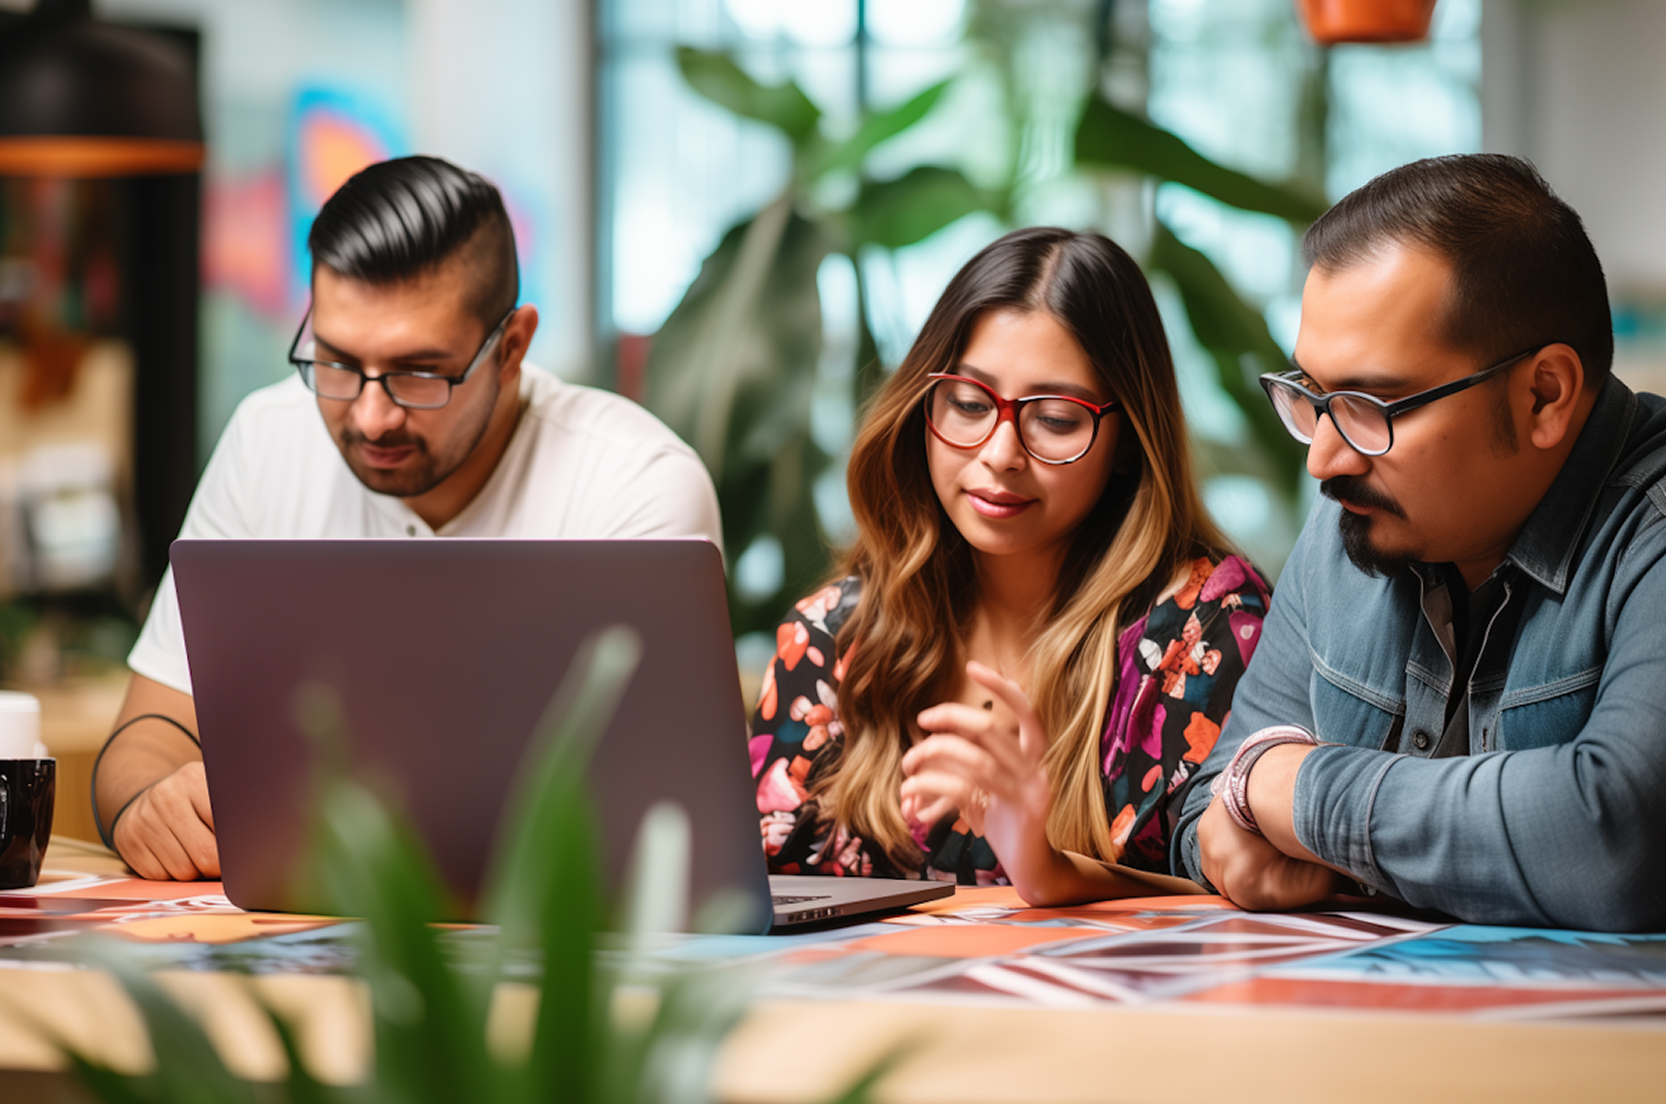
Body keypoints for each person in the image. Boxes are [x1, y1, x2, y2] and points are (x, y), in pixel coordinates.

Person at [97, 156, 722, 881]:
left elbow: (654, 823)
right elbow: (145, 734)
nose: (370, 415)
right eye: (334, 362)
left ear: (512, 347)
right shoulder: (267, 438)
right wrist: (150, 803)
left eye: (419, 373)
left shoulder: (634, 484)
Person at [1175, 153, 1666, 932]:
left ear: (1544, 395)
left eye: (1372, 404)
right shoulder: (1357, 521)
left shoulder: (1653, 533)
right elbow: (1210, 801)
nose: (1324, 459)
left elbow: (1619, 840)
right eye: (1312, 397)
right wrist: (1232, 824)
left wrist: (1294, 793)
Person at [748, 227, 1269, 904]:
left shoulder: (1203, 634)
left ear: (1128, 444)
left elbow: (1250, 904)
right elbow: (755, 903)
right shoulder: (828, 643)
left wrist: (1047, 866)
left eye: (1055, 419)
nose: (999, 452)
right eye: (968, 403)